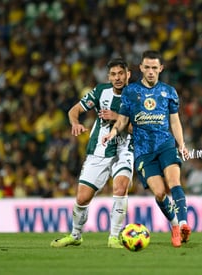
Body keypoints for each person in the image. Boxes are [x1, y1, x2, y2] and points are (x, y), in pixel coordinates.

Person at [102, 50, 191, 247]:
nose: (151, 71)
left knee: (174, 180)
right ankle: (175, 225)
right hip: (143, 151)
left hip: (165, 144)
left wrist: (182, 145)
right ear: (141, 68)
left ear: (161, 68)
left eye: (154, 68)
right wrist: (113, 133)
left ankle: (184, 223)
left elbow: (175, 122)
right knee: (159, 193)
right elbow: (123, 119)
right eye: (147, 67)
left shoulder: (169, 91)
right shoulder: (131, 92)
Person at [50, 58, 134, 249]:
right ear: (108, 77)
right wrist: (75, 123)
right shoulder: (100, 91)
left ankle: (114, 237)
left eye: (121, 73)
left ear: (128, 74)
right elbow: (74, 110)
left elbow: (138, 129)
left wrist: (116, 117)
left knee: (120, 188)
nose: (117, 78)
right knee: (82, 198)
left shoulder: (137, 95)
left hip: (124, 149)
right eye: (113, 74)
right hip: (99, 150)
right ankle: (76, 235)